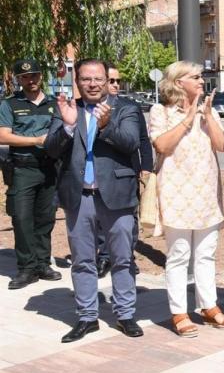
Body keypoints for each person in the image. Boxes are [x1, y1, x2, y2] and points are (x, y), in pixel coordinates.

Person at [45, 58, 143, 343]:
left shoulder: (126, 108)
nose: (92, 84)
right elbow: (50, 150)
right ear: (77, 81)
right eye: (86, 79)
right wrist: (67, 126)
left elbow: (131, 143)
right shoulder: (67, 108)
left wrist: (106, 125)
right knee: (82, 260)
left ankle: (125, 314)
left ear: (107, 80)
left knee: (122, 258)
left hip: (117, 195)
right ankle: (87, 317)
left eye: (98, 78)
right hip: (79, 196)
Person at [150, 61, 224, 338]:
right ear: (178, 82)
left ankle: (208, 306)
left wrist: (207, 115)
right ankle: (179, 312)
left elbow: (221, 145)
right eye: (196, 77)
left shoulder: (208, 111)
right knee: (179, 255)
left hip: (207, 194)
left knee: (206, 253)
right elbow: (161, 145)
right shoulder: (161, 111)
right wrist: (188, 118)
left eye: (201, 77)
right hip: (176, 195)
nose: (201, 81)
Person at [0, 59, 62, 289]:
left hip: (49, 168)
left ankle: (43, 264)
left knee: (45, 218)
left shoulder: (54, 103)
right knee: (22, 218)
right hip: (23, 168)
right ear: (19, 79)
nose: (30, 80)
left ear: (41, 76)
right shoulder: (10, 104)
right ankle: (27, 268)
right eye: (25, 77)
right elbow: (3, 136)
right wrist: (36, 140)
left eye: (34, 75)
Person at [95, 65, 154, 279]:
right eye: (111, 81)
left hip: (127, 169)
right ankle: (104, 256)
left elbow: (142, 139)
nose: (116, 85)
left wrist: (146, 166)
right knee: (101, 216)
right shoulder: (90, 108)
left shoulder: (129, 107)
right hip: (101, 171)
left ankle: (127, 256)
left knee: (129, 218)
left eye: (117, 81)